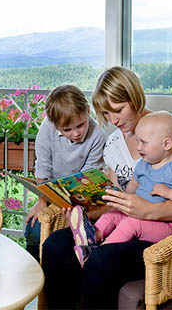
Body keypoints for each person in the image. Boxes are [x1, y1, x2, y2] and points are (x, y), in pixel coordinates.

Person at [41, 66, 172, 309]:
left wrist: (150, 211)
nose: (113, 120)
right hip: (124, 223)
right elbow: (118, 200)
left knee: (101, 259)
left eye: (118, 110)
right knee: (55, 245)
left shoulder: (169, 132)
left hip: (160, 233)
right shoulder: (112, 143)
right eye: (105, 113)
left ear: (134, 98)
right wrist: (85, 211)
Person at [69, 111, 172, 266]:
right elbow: (132, 187)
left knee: (132, 223)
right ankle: (92, 235)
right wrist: (119, 200)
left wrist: (169, 193)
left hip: (168, 226)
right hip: (140, 215)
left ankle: (97, 252)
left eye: (143, 142)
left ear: (166, 144)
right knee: (114, 213)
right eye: (137, 141)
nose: (138, 147)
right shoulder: (143, 164)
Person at [24, 84, 106, 262]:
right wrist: (41, 201)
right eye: (67, 130)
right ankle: (33, 269)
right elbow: (43, 165)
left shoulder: (97, 135)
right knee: (33, 227)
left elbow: (89, 176)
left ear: (87, 111)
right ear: (55, 125)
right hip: (51, 191)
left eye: (80, 125)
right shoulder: (48, 128)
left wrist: (76, 205)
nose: (76, 134)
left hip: (79, 197)